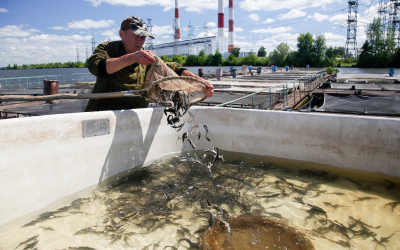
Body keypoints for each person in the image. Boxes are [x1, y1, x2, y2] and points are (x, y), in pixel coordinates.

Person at [85, 16, 214, 112]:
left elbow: (171, 67)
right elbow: (96, 67)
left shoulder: (145, 56)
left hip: (136, 117)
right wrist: (132, 58)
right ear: (121, 34)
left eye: (143, 37)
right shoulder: (107, 48)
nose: (140, 41)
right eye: (136, 35)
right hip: (102, 115)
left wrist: (201, 82)